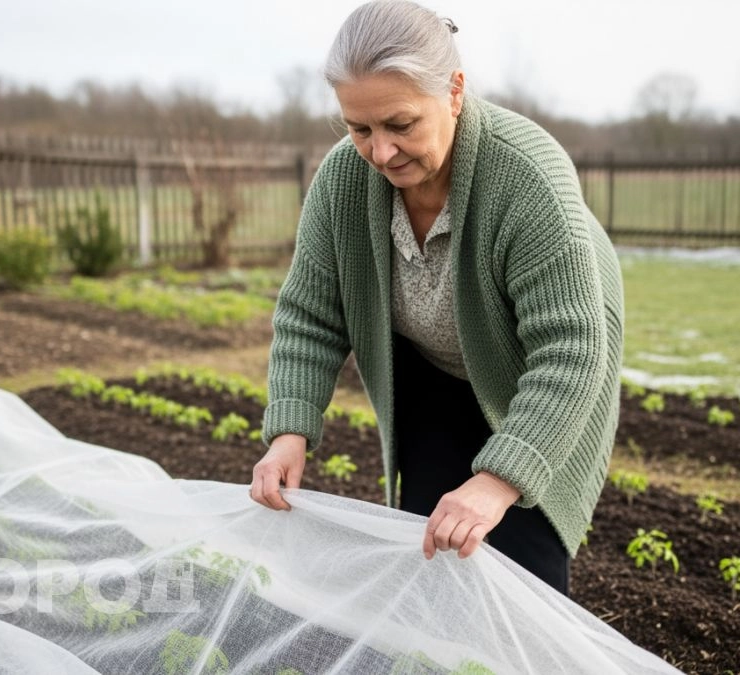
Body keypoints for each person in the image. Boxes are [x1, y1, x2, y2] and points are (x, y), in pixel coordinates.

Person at [249, 0, 623, 595]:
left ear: (454, 91)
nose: (380, 152)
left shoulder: (527, 179)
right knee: (430, 550)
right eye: (359, 128)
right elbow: (309, 318)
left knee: (521, 571)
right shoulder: (344, 180)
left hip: (539, 371)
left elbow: (570, 351)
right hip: (430, 368)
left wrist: (499, 481)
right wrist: (289, 430)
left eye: (400, 124)